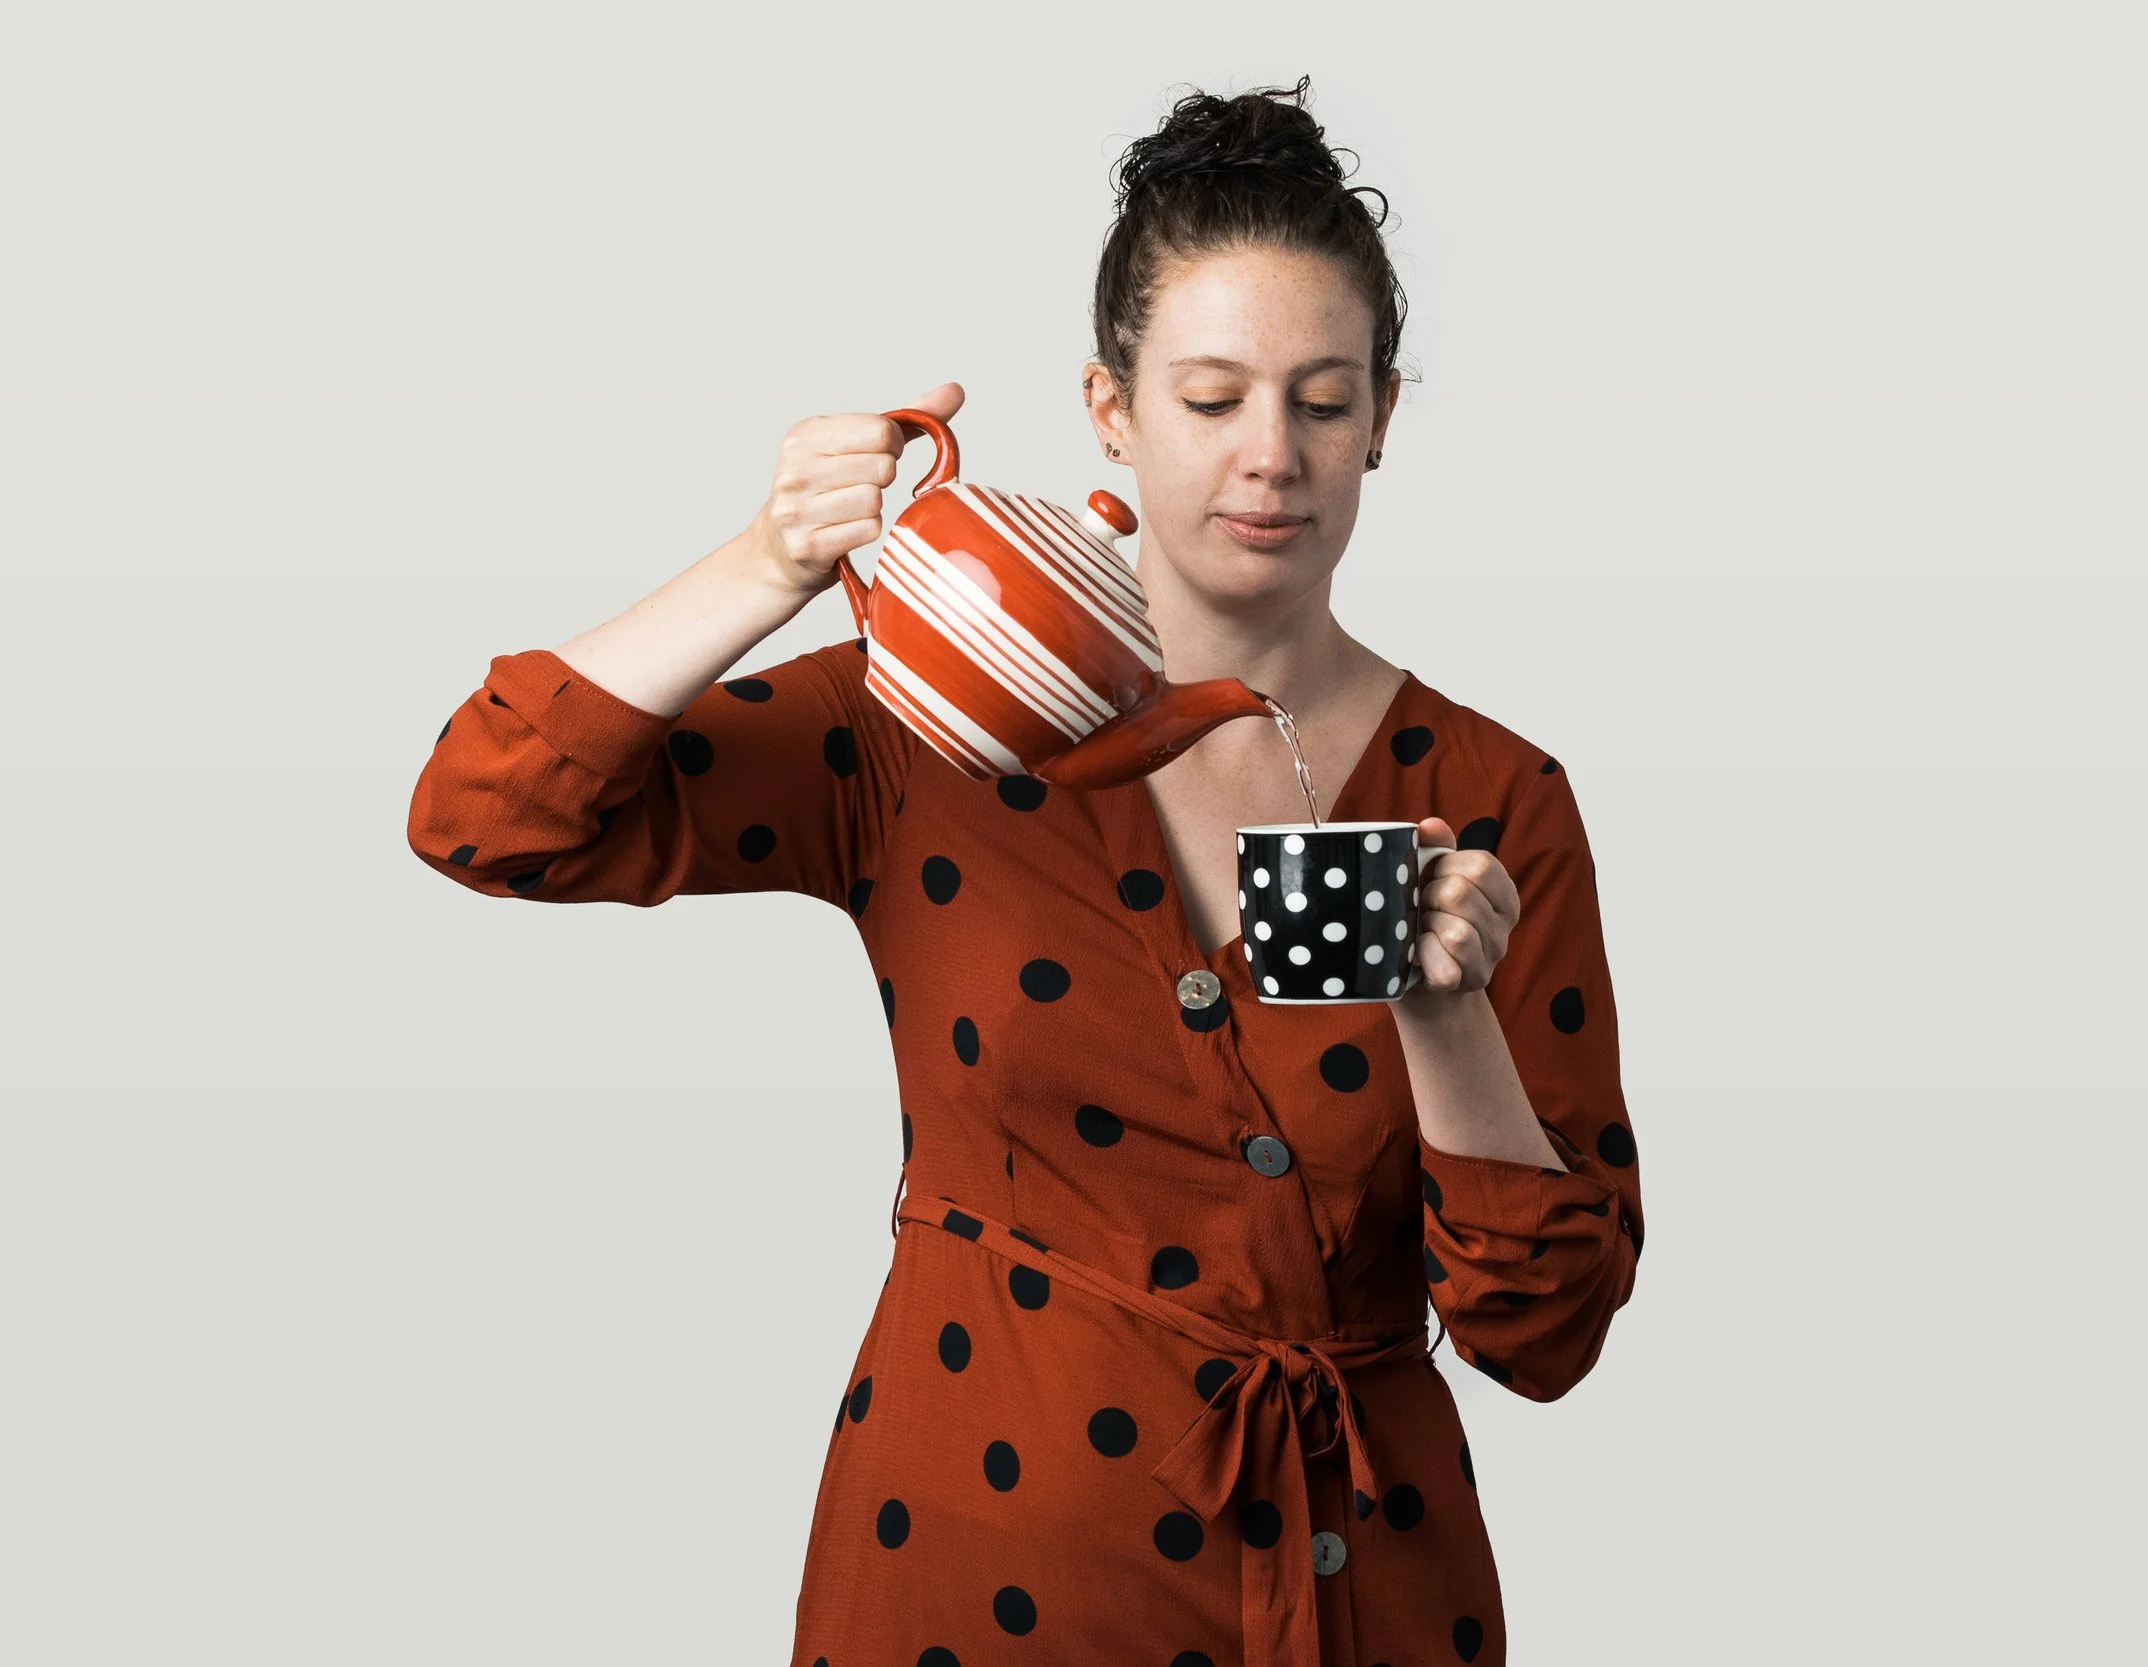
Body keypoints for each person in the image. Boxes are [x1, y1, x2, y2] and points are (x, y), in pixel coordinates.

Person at [407, 74, 1642, 1667]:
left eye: (1323, 402)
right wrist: (773, 559)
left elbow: (1543, 1336)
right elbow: (490, 812)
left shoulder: (1494, 796)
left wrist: (1443, 1010)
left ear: (1383, 420)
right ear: (1110, 409)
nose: (1270, 456)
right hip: (978, 1577)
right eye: (1211, 399)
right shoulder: (920, 717)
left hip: (1358, 1597)